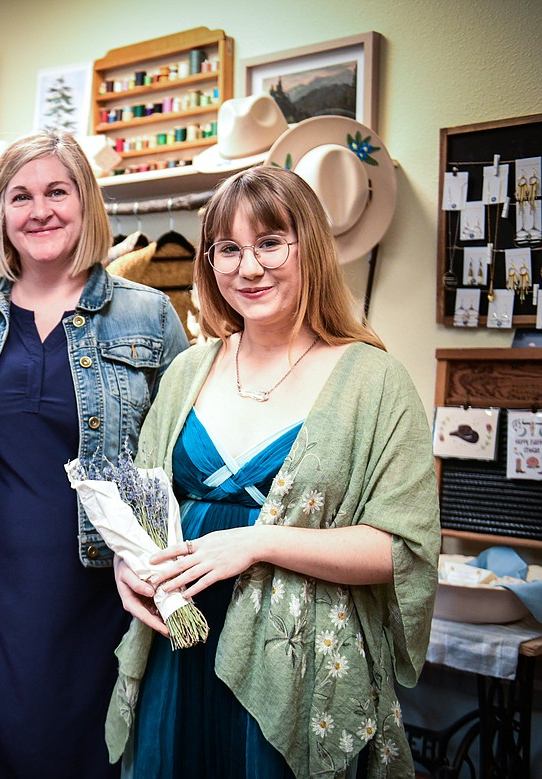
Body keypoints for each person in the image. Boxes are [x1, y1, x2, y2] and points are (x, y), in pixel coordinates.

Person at [108, 165, 440, 778]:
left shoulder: (373, 381)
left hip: (301, 664)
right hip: (179, 656)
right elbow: (144, 508)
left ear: (307, 246)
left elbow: (402, 550)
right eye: (228, 249)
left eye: (269, 243)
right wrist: (128, 566)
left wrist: (257, 542)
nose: (248, 267)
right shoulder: (189, 370)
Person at [0, 130, 189, 778]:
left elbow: (176, 461)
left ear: (86, 202)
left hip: (100, 596)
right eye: (19, 196)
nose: (40, 210)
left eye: (58, 190)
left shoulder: (150, 316)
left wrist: (169, 580)